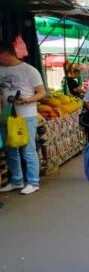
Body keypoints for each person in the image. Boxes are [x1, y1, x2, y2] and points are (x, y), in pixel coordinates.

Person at [0, 47, 45, 195]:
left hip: (26, 114)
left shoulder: (30, 70)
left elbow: (42, 92)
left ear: (6, 54)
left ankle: (33, 182)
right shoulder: (1, 69)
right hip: (7, 115)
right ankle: (17, 180)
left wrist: (28, 100)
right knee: (10, 148)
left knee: (28, 148)